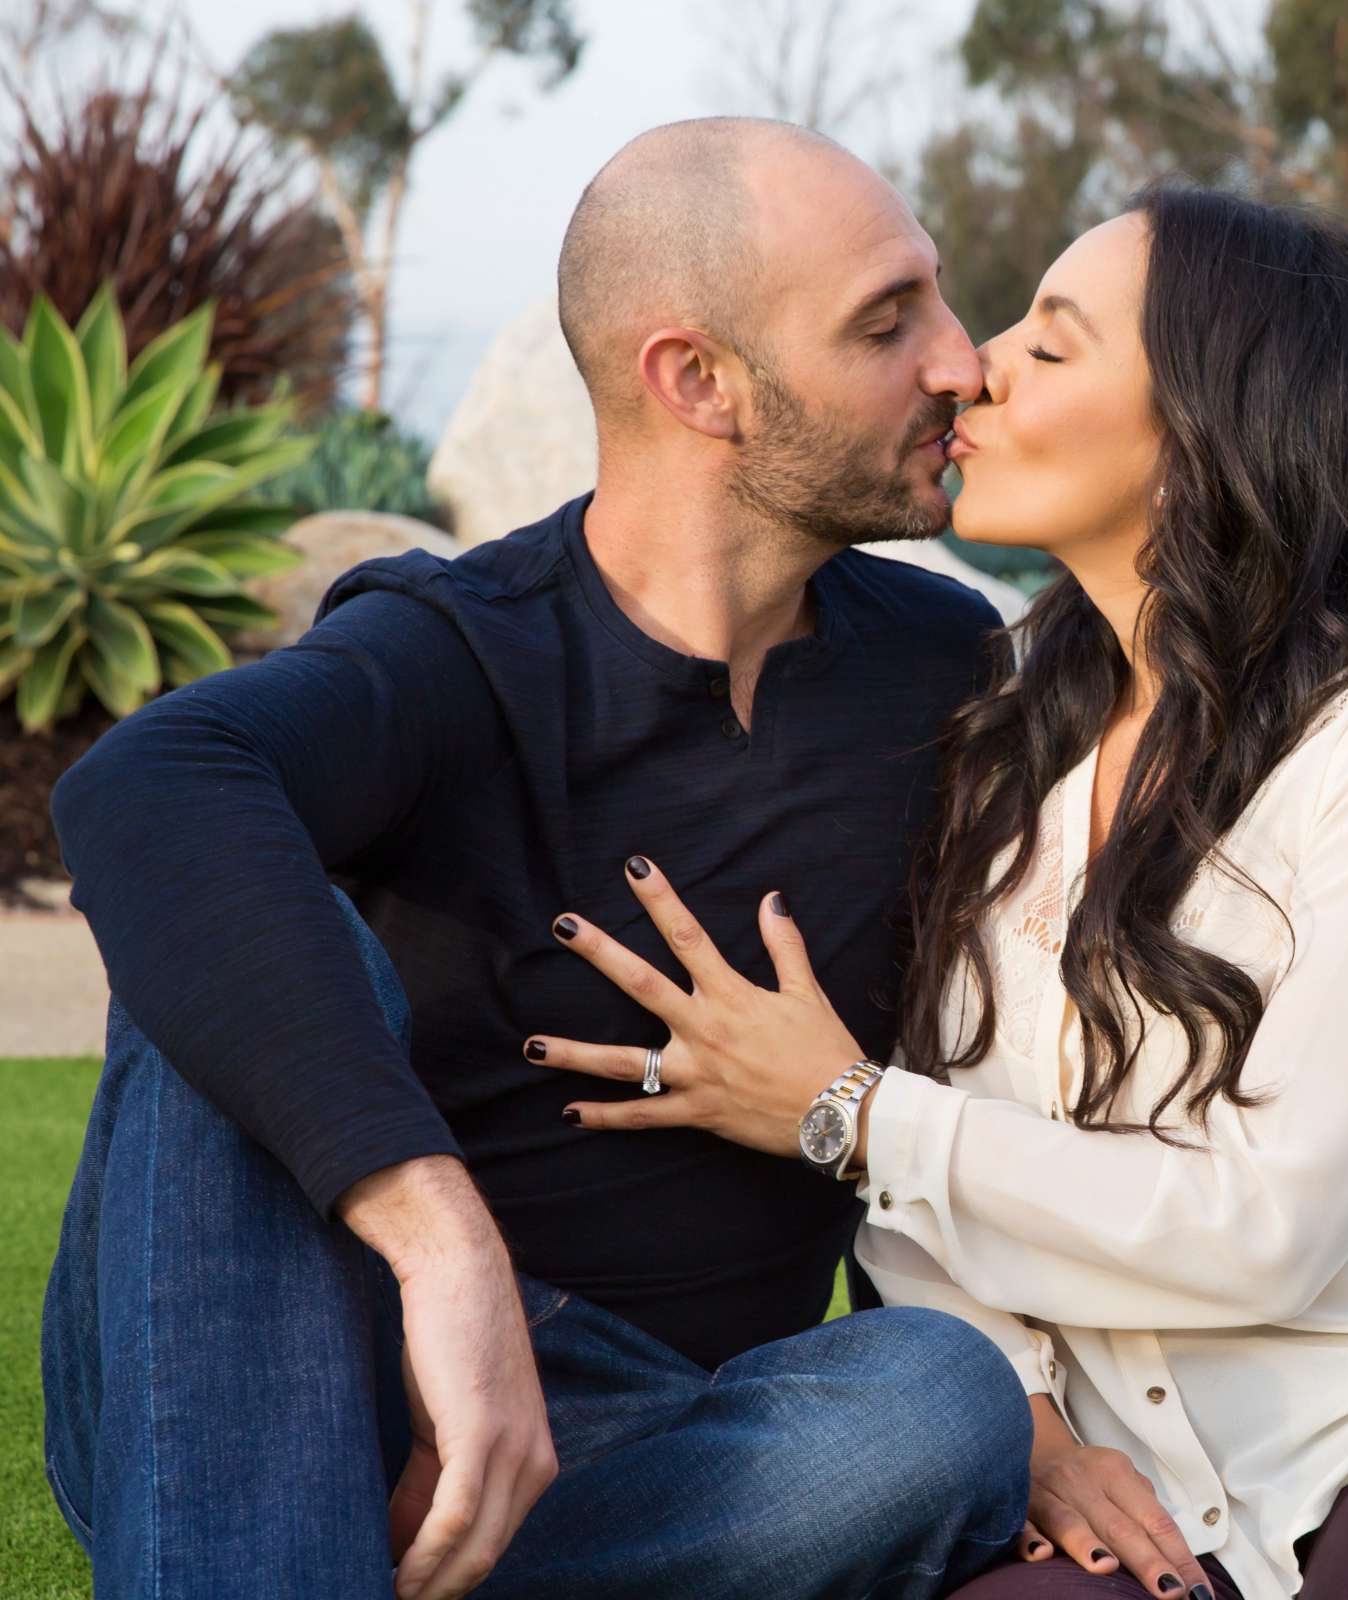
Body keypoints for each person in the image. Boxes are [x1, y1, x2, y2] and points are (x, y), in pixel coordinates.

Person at [529, 185, 1348, 1600]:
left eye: (1048, 349)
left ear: (1204, 430)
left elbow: (1271, 1228)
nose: (973, 365)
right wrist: (1027, 1413)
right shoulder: (992, 718)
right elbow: (912, 1210)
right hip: (1105, 1453)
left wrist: (849, 1111)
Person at [41, 119, 1032, 1599]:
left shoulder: (946, 666)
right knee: (246, 941)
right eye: (889, 323)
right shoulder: (455, 646)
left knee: (940, 1403)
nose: (962, 360)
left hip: (668, 1443)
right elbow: (150, 783)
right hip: (308, 1375)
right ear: (700, 381)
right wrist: (443, 1243)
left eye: (937, 299)